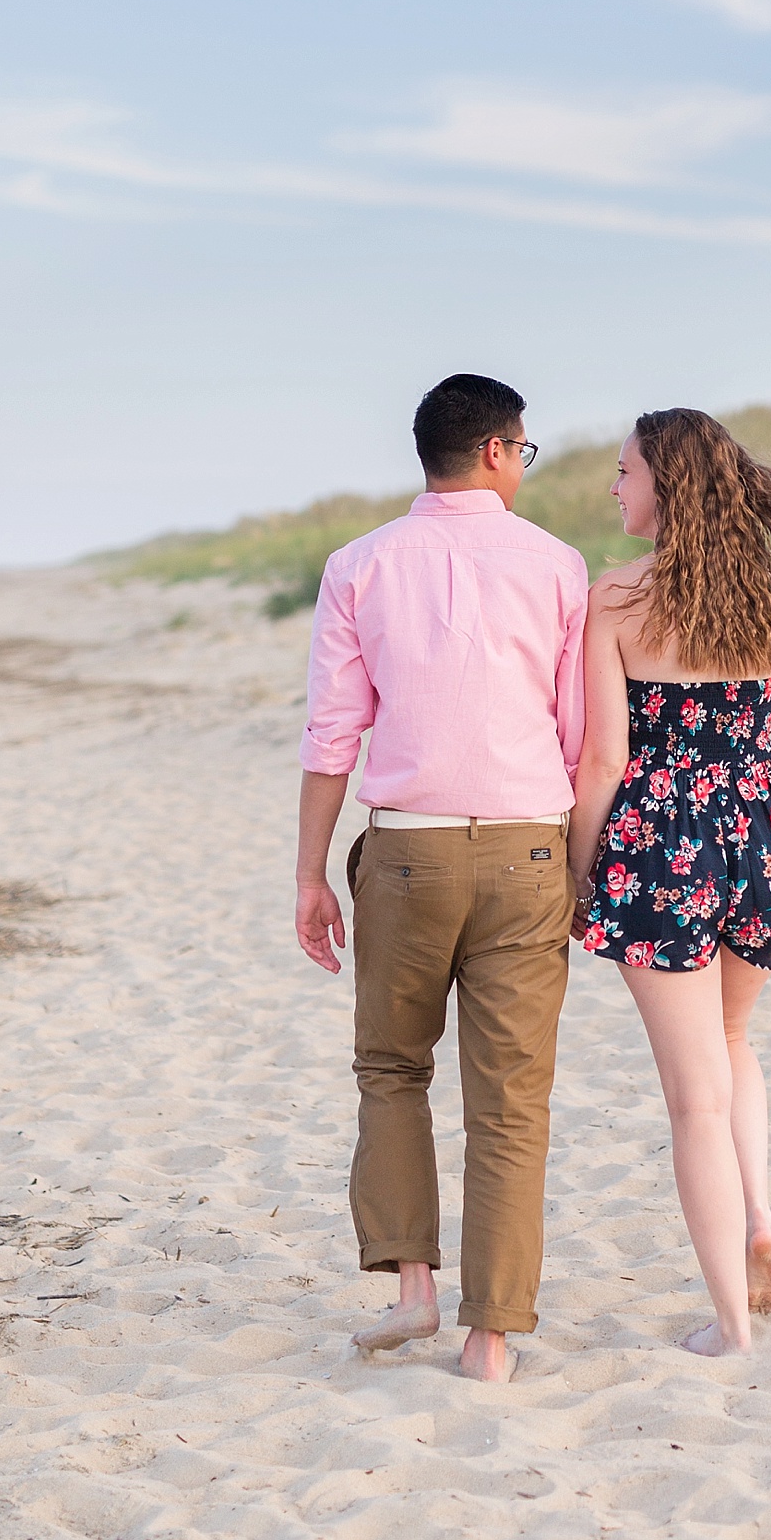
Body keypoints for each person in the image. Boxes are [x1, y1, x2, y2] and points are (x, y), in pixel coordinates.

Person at [566, 408, 771, 1357]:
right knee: (734, 1036)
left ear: (664, 484)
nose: (613, 487)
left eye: (623, 472)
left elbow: (601, 763)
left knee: (692, 1098)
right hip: (763, 835)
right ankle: (758, 1216)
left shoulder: (615, 599)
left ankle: (732, 1325)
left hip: (661, 848)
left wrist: (579, 875)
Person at [295, 373, 588, 1384]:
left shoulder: (359, 563)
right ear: (502, 450)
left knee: (392, 1070)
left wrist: (309, 874)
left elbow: (332, 734)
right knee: (510, 1101)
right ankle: (491, 1338)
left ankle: (413, 1284)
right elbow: (580, 734)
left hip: (407, 850)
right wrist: (578, 869)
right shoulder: (557, 564)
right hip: (527, 849)